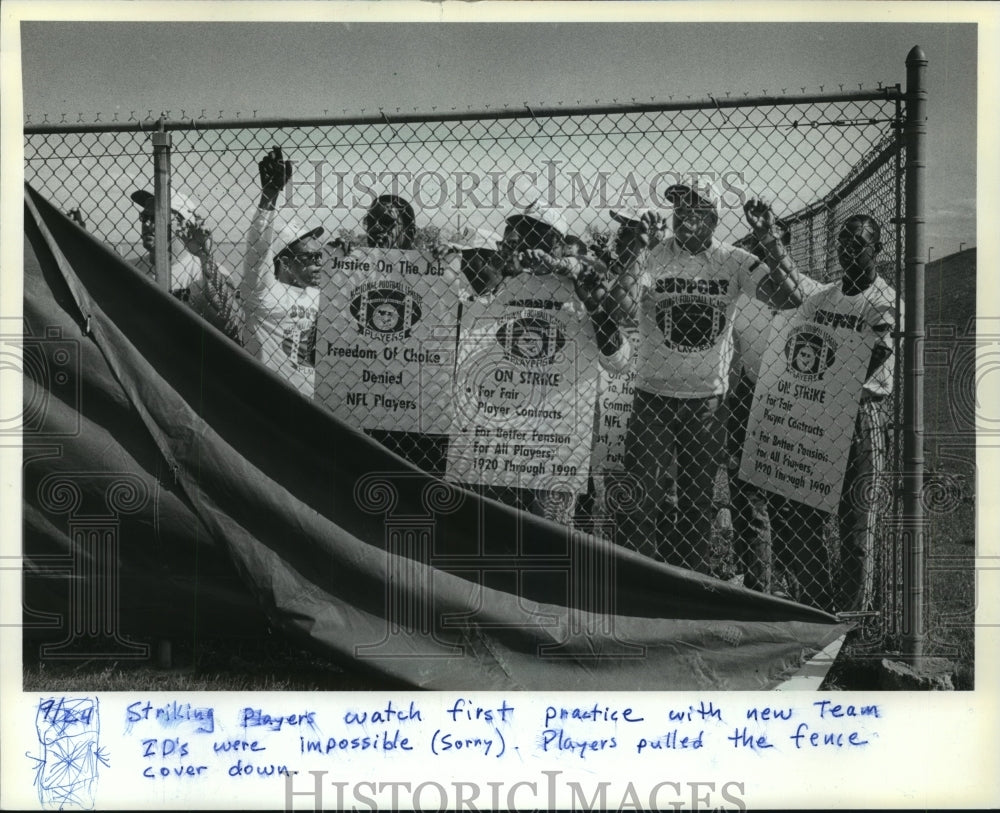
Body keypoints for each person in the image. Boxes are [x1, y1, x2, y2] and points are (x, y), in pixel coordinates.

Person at [605, 180, 809, 574]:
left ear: (714, 217)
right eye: (678, 206)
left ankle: (689, 583)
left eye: (695, 208)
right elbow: (621, 310)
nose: (683, 215)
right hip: (654, 398)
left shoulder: (733, 260)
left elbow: (791, 299)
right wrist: (635, 250)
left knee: (698, 503)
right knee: (641, 498)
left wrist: (770, 240)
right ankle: (640, 582)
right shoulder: (655, 255)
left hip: (707, 402)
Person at [479, 202, 629, 525]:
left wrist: (592, 303)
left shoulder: (584, 284)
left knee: (551, 525)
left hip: (561, 424)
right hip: (511, 420)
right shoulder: (508, 285)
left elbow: (618, 361)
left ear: (559, 243)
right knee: (500, 517)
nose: (529, 244)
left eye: (539, 235)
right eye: (523, 233)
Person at [794, 213, 899, 613]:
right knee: (808, 514)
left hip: (863, 413)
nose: (847, 250)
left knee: (857, 525)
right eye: (842, 242)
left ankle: (854, 615)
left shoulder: (885, 301)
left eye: (857, 243)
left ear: (877, 249)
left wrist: (826, 369)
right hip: (821, 412)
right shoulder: (823, 299)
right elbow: (800, 344)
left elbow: (872, 357)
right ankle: (818, 605)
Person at [725, 220, 827, 600]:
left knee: (795, 507)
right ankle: (757, 590)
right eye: (758, 247)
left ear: (785, 248)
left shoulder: (814, 294)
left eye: (770, 247)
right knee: (749, 503)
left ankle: (803, 594)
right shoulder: (743, 298)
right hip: (748, 398)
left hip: (797, 404)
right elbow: (733, 354)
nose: (763, 255)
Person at [240, 146, 326, 396]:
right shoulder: (264, 291)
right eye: (310, 257)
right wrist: (269, 196)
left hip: (315, 399)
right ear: (285, 262)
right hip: (272, 398)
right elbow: (258, 250)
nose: (318, 263)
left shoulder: (320, 295)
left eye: (319, 256)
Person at [128, 188, 241, 340]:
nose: (147, 223)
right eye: (144, 216)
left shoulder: (209, 272)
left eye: (156, 217)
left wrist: (204, 256)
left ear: (183, 225)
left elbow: (233, 327)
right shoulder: (128, 269)